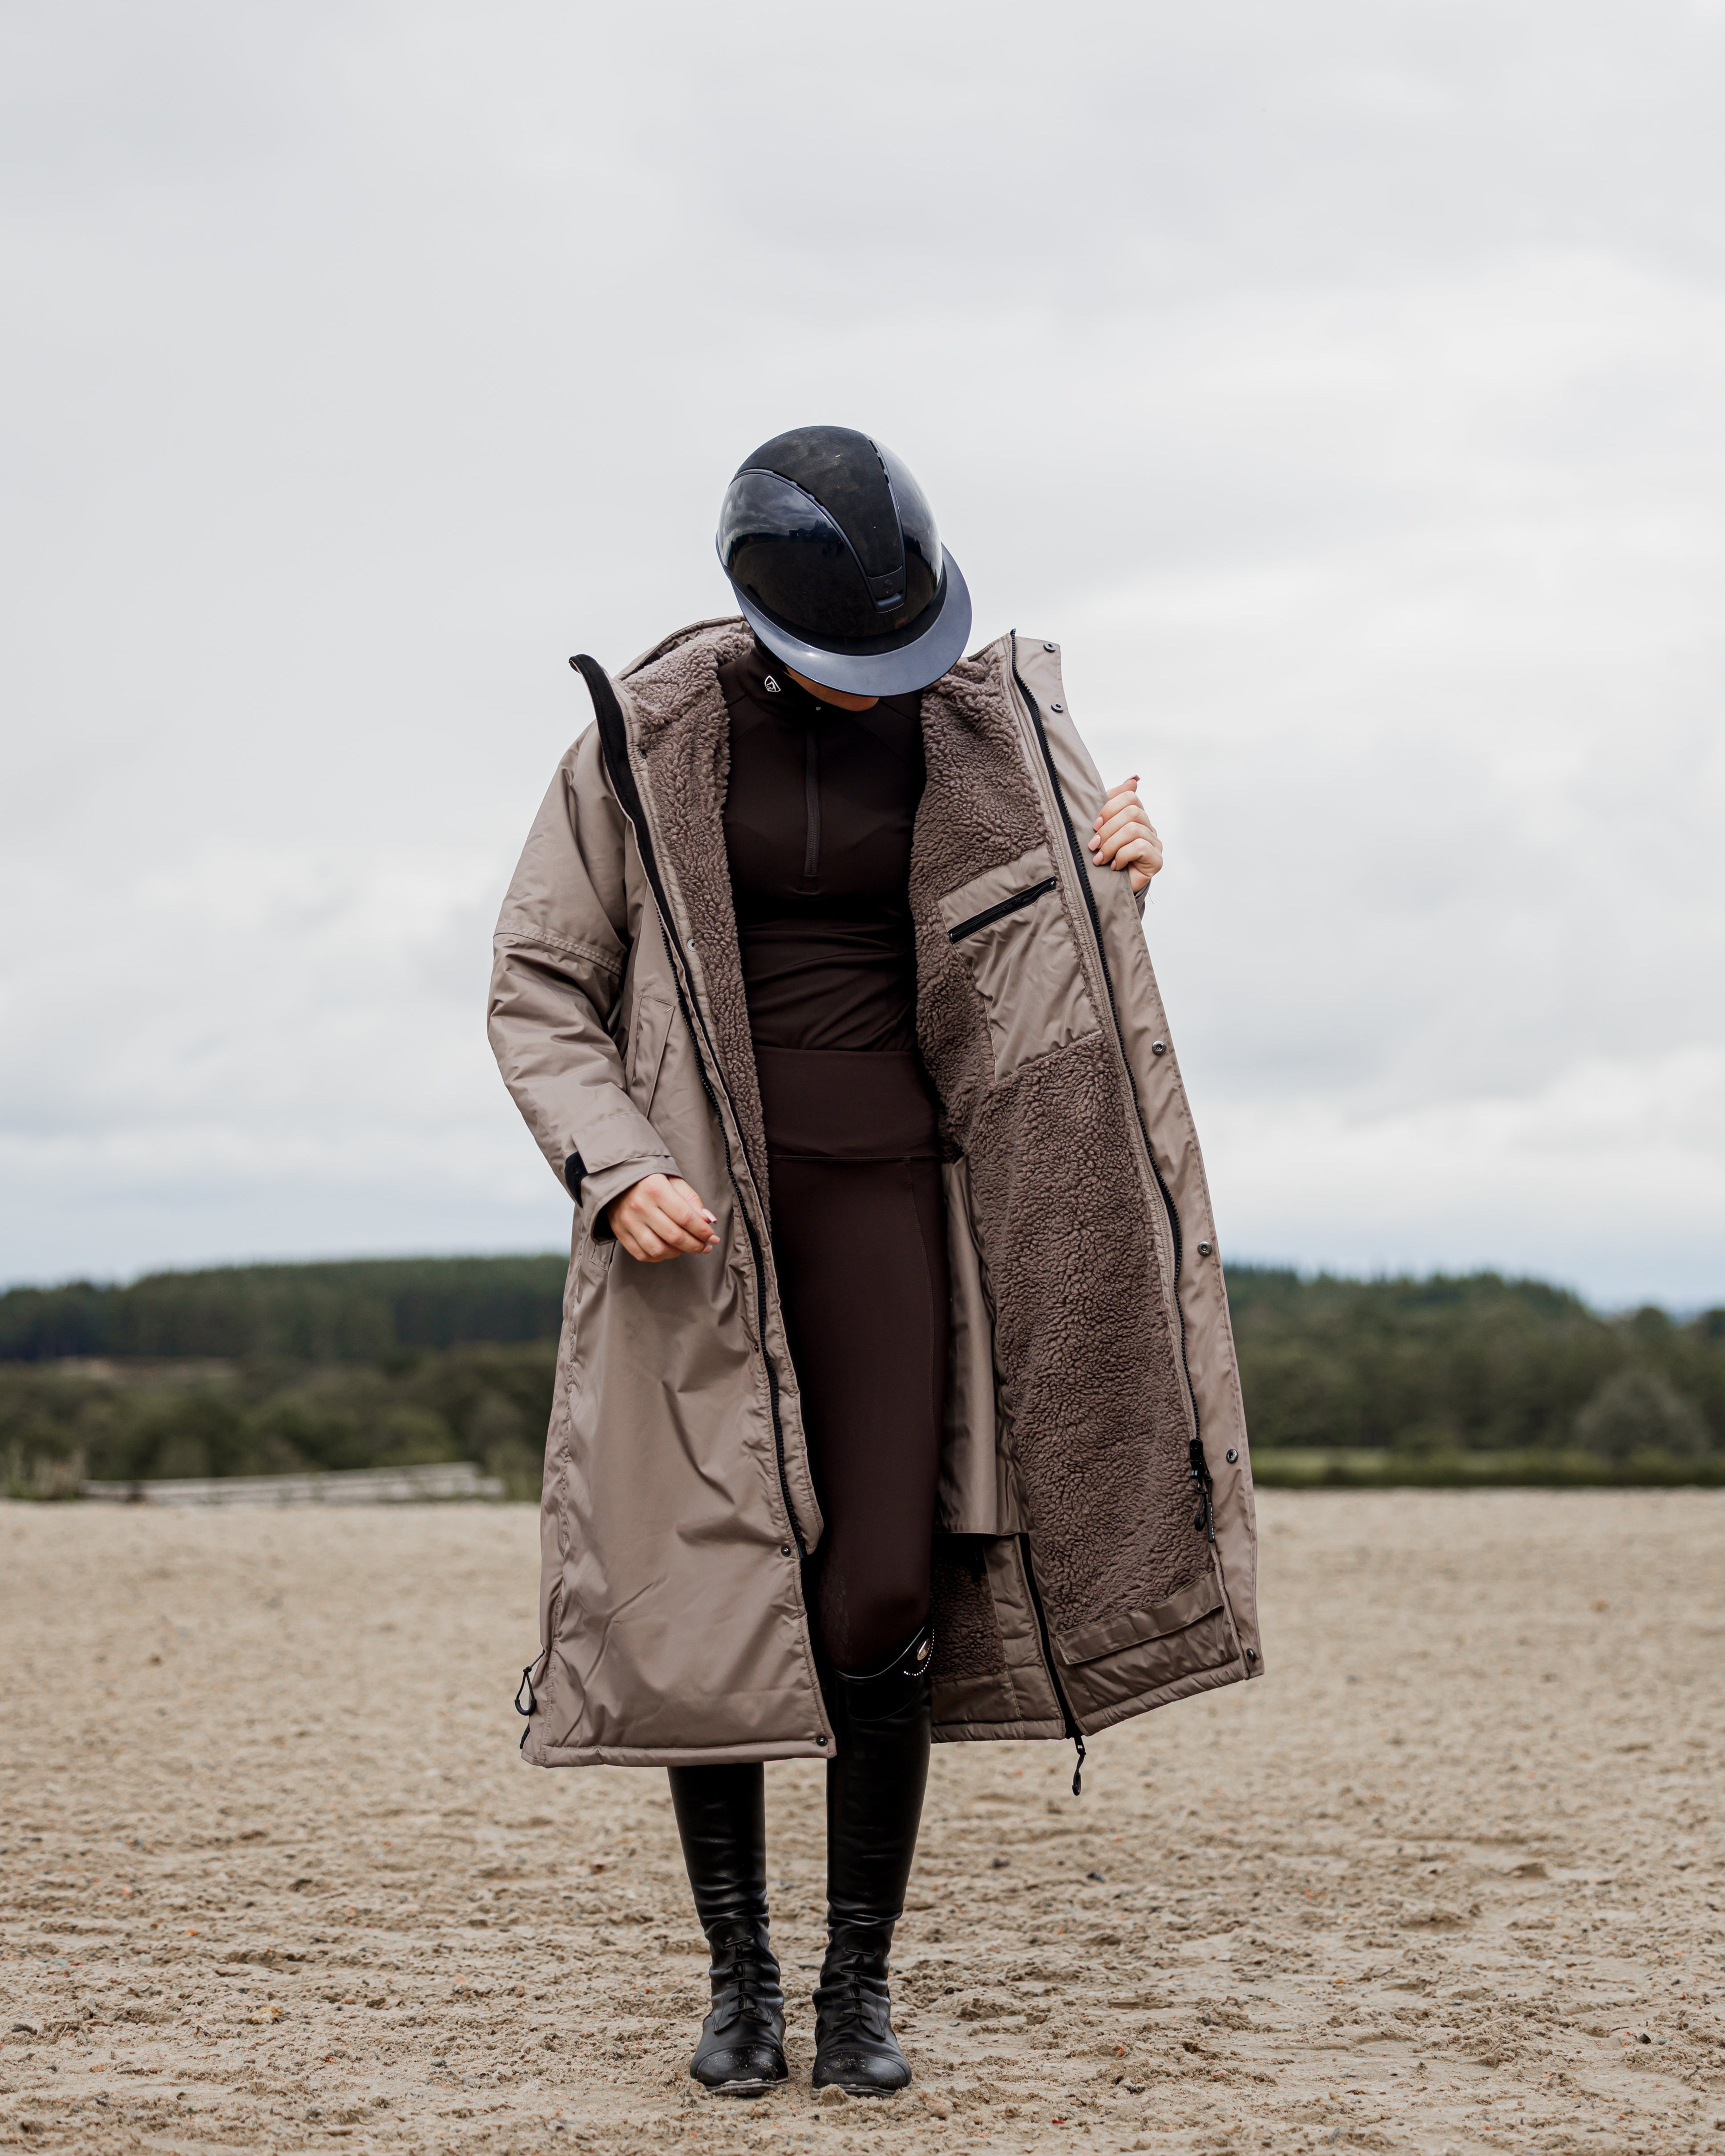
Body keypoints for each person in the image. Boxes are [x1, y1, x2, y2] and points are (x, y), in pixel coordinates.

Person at [489, 426, 1263, 2099]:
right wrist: (617, 1169)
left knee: (885, 1591)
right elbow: (538, 987)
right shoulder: (645, 739)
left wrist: (1119, 878)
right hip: (701, 1218)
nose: (886, 684)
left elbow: (1045, 956)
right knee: (708, 1592)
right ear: (766, 621)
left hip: (902, 1198)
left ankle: (859, 1984)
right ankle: (741, 1980)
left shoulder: (986, 726)